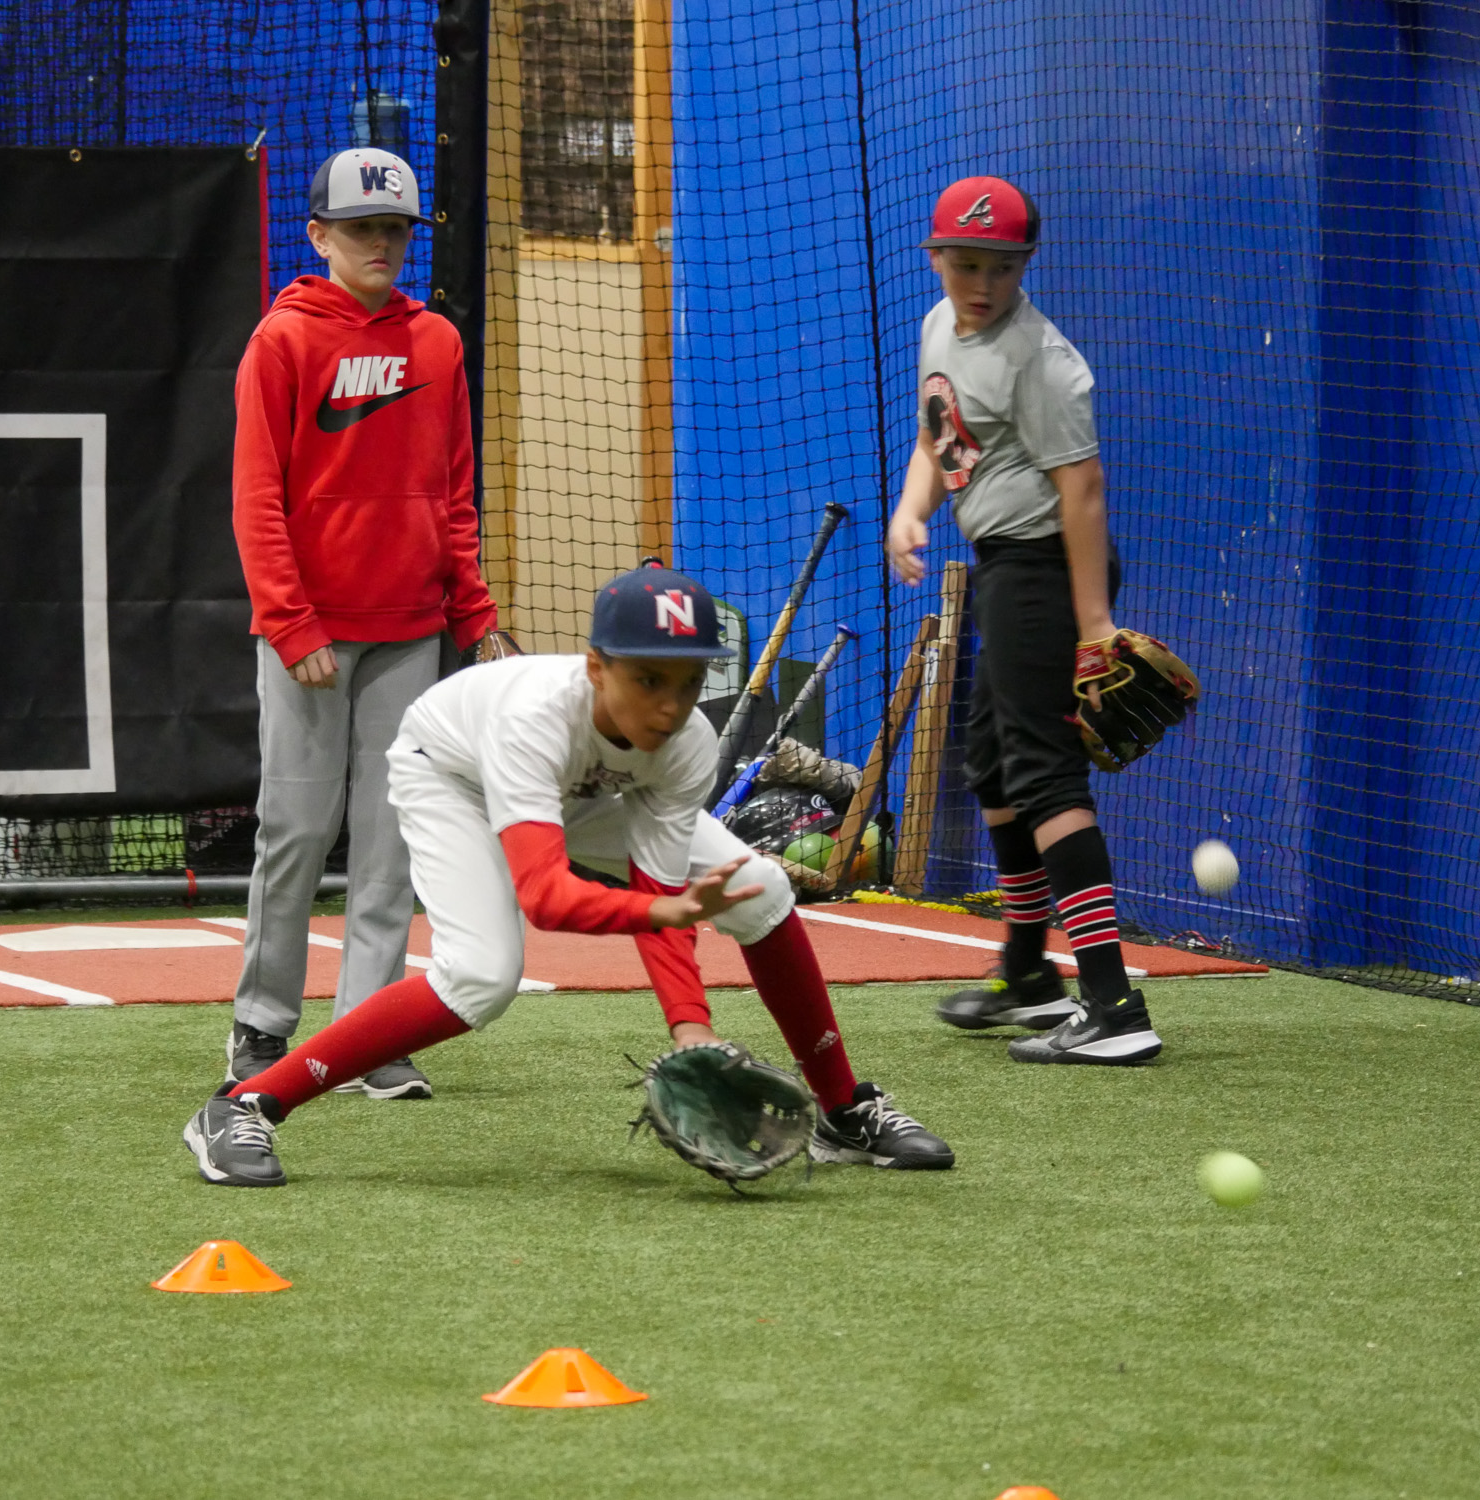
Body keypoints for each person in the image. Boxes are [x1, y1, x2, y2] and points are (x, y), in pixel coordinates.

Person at [182, 565, 954, 1186]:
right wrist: (669, 914)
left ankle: (842, 1110)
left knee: (764, 889)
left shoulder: (682, 743)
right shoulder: (536, 720)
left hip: (591, 790)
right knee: (482, 976)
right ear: (596, 668)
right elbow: (547, 898)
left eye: (689, 682)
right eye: (649, 679)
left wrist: (691, 1027)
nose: (670, 702)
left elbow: (657, 886)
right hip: (454, 775)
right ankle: (246, 1104)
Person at [224, 147, 499, 1100]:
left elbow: (454, 493)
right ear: (319, 236)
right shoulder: (283, 342)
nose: (381, 243)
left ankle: (365, 1038)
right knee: (296, 831)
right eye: (362, 228)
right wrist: (291, 625)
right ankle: (262, 1030)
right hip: (311, 638)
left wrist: (476, 610)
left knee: (393, 842)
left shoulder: (438, 345)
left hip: (411, 631)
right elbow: (257, 500)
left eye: (394, 230)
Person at [885, 176, 1161, 1065]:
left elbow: (1080, 491)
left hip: (1047, 569)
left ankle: (1114, 1008)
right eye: (965, 263)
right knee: (992, 767)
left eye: (1000, 268)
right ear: (935, 259)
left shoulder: (1043, 360)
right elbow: (945, 441)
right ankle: (1030, 976)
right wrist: (910, 509)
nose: (981, 283)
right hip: (1001, 570)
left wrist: (1093, 626)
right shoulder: (941, 329)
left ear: (1024, 265)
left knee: (1043, 778)